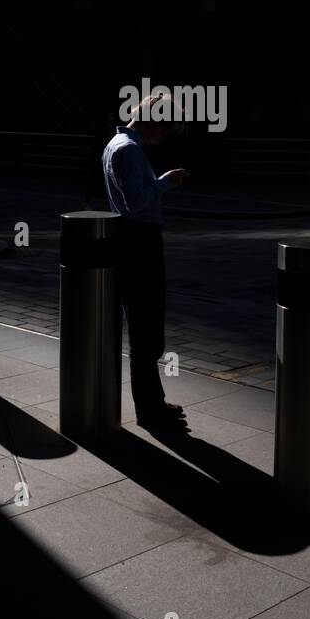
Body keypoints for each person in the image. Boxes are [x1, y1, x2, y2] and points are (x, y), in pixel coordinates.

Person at [102, 91, 189, 432]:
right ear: (154, 119)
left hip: (130, 239)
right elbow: (136, 202)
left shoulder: (117, 144)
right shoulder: (130, 150)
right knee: (147, 325)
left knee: (144, 325)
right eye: (166, 129)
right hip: (140, 241)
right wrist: (165, 182)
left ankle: (152, 401)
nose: (164, 136)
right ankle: (150, 409)